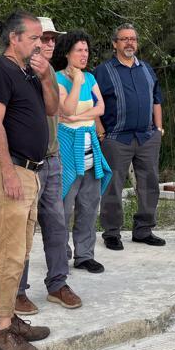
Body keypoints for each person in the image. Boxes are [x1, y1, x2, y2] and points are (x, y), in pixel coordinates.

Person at [0, 12, 59, 350]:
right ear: (15, 38)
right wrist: (9, 172)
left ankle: (10, 320)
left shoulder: (29, 73)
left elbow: (53, 108)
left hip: (32, 173)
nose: (39, 44)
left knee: (21, 252)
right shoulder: (1, 71)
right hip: (12, 171)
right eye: (34, 38)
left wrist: (47, 75)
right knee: (10, 255)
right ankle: (2, 333)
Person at [14, 17, 83, 313]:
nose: (50, 43)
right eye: (44, 37)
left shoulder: (49, 71)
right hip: (25, 165)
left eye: (53, 38)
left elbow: (60, 112)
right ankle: (16, 291)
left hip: (52, 161)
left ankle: (57, 284)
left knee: (56, 226)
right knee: (22, 231)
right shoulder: (16, 71)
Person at [95, 23, 166, 249]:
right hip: (116, 137)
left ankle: (144, 230)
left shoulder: (146, 68)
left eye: (133, 39)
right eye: (124, 39)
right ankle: (112, 232)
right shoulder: (103, 71)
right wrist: (100, 129)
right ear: (115, 43)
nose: (129, 43)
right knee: (112, 185)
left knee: (149, 183)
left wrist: (159, 129)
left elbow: (157, 99)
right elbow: (93, 101)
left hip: (147, 137)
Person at [53, 30, 113, 274]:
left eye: (86, 50)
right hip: (67, 151)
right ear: (67, 53)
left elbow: (101, 107)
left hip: (90, 149)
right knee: (63, 209)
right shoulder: (57, 78)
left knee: (89, 205)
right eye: (79, 50)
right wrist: (76, 82)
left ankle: (85, 255)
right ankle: (60, 254)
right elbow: (64, 109)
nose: (84, 54)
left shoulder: (91, 78)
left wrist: (78, 116)